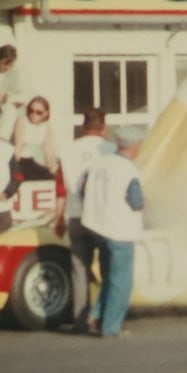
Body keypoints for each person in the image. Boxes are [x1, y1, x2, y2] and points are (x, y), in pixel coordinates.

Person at [80, 126, 146, 338]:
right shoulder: (129, 170)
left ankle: (96, 314)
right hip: (120, 229)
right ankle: (111, 327)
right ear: (135, 146)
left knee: (109, 277)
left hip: (98, 226)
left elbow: (83, 190)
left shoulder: (100, 163)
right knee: (121, 282)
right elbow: (136, 202)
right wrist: (146, 203)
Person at [54, 108, 111, 333]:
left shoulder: (68, 151)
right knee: (108, 267)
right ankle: (105, 317)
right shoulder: (111, 150)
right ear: (104, 128)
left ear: (83, 127)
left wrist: (59, 218)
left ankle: (80, 319)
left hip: (77, 215)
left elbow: (60, 188)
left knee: (79, 270)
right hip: (103, 216)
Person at [12, 96, 57, 177]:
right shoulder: (22, 121)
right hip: (16, 160)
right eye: (31, 111)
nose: (33, 114)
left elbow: (48, 151)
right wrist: (13, 170)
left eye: (38, 112)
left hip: (29, 160)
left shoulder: (46, 126)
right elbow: (18, 147)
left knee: (48, 177)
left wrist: (54, 170)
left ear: (45, 113)